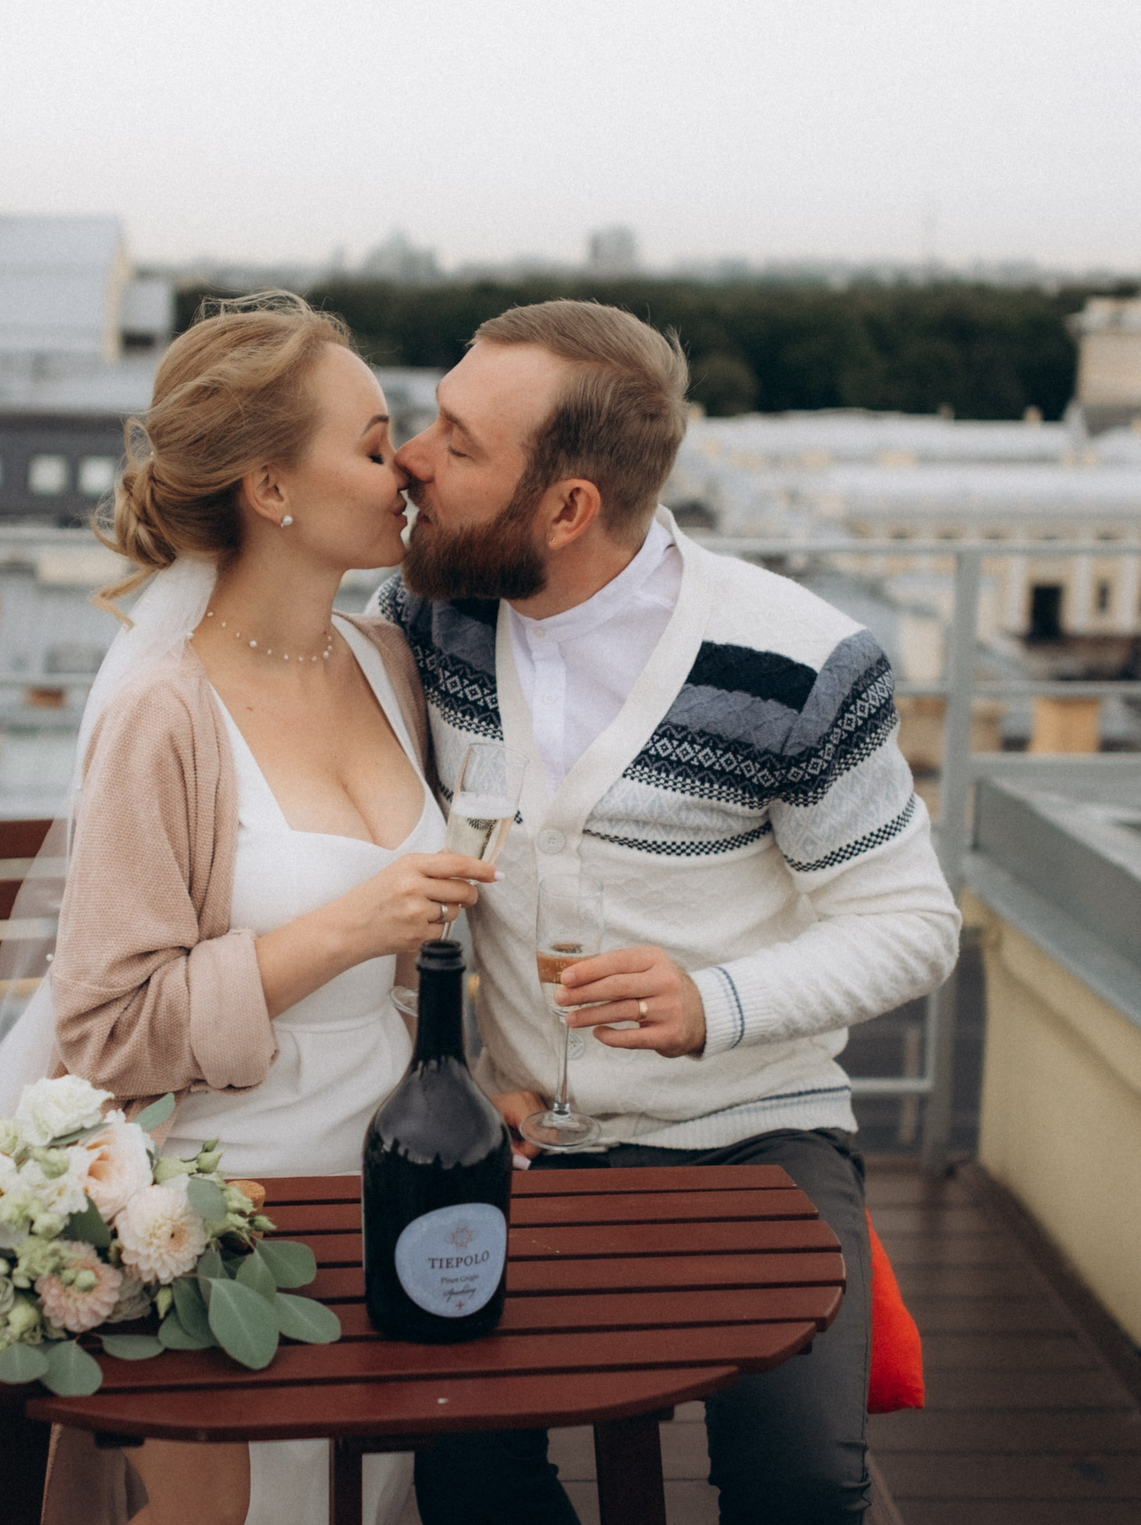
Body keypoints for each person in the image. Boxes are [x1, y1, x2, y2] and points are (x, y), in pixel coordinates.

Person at [0, 294, 492, 1525]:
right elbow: (109, 1027)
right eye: (373, 443)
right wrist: (349, 925)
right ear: (270, 487)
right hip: (225, 1189)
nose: (404, 469)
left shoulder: (387, 661)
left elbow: (416, 965)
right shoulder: (162, 712)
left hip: (393, 1165)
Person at [375, 300, 960, 1525]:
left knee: (801, 1486)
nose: (411, 457)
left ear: (567, 507)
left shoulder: (803, 661)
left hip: (756, 1132)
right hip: (519, 1139)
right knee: (463, 1472)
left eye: (458, 443)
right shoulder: (425, 618)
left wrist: (711, 1002)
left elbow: (911, 921)